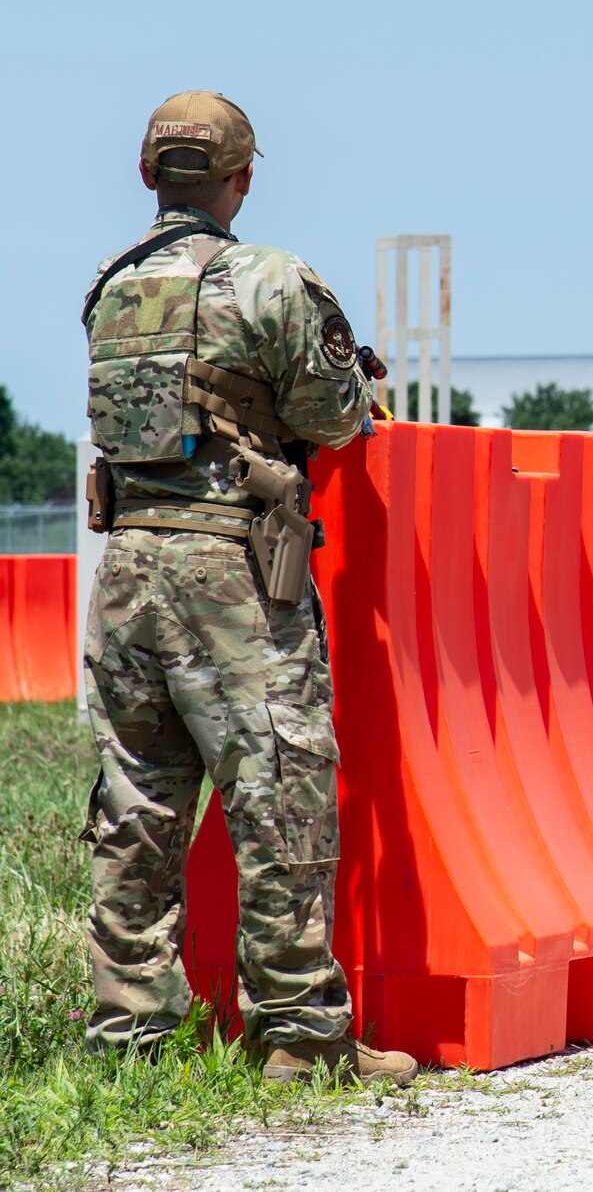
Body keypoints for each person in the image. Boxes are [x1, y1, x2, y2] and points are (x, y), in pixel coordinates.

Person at [80, 91, 414, 1084]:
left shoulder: (110, 284)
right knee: (281, 797)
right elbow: (335, 415)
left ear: (148, 176)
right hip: (229, 569)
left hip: (126, 565)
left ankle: (131, 1036)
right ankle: (301, 1038)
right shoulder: (267, 278)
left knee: (137, 806)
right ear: (242, 178)